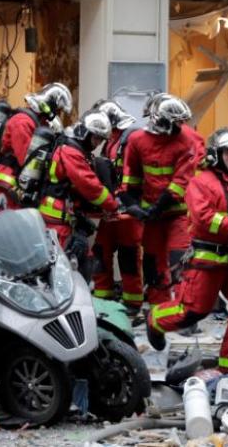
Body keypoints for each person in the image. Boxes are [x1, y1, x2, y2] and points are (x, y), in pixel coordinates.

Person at [146, 128, 228, 374]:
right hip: (207, 261)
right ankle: (156, 320)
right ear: (216, 156)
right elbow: (204, 218)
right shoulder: (200, 183)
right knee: (192, 313)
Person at [120, 94, 202, 306]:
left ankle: (186, 314)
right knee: (153, 265)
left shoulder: (187, 141)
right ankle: (159, 312)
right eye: (175, 122)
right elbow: (131, 179)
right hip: (152, 218)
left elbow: (180, 181)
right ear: (160, 121)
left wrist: (158, 207)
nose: (180, 126)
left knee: (180, 261)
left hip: (178, 214)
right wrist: (132, 205)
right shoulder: (137, 141)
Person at [38, 110, 119, 278]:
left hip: (63, 213)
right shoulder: (71, 152)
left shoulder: (75, 148)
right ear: (85, 132)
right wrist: (112, 205)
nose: (97, 144)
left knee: (76, 260)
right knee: (60, 264)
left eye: (100, 140)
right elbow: (89, 185)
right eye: (96, 138)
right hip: (57, 216)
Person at [90, 100, 146, 315]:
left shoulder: (132, 138)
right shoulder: (112, 140)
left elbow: (135, 175)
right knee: (101, 251)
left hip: (128, 211)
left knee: (129, 256)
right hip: (113, 209)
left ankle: (132, 305)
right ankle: (103, 299)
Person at [0, 82, 72, 212]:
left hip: (16, 182)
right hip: (8, 183)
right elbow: (25, 158)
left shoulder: (33, 121)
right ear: (50, 105)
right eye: (58, 110)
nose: (57, 114)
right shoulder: (22, 122)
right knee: (11, 228)